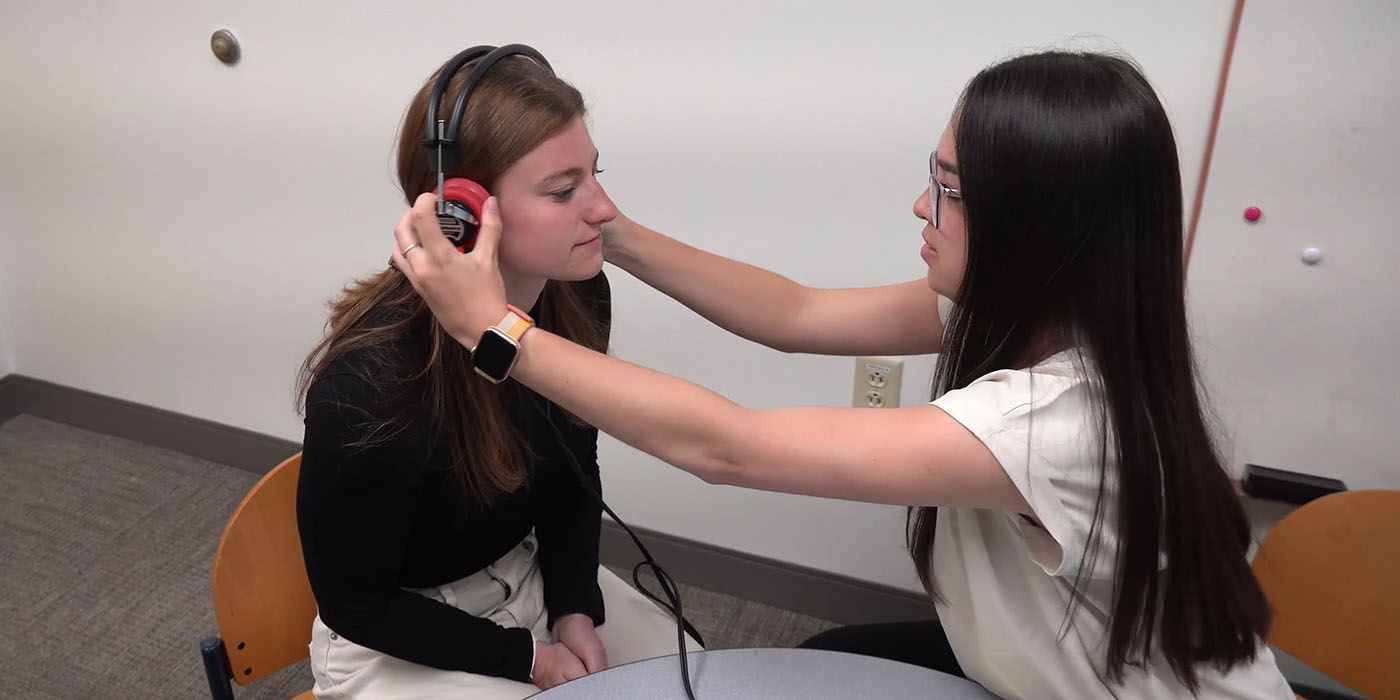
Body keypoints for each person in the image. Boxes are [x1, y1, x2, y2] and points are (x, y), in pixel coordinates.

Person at [389, 50, 1298, 699]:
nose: (921, 204)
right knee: (823, 656)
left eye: (948, 187)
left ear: (1034, 226)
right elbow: (796, 315)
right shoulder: (1037, 307)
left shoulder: (1056, 423)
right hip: (1030, 660)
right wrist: (606, 227)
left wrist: (493, 328)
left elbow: (729, 449)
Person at [295, 48, 697, 700]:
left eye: (594, 175)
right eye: (564, 190)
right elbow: (357, 606)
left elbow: (572, 475)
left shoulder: (577, 296)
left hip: (525, 577)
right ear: (464, 215)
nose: (603, 209)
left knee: (692, 677)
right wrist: (527, 659)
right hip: (397, 632)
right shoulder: (368, 388)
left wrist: (574, 606)